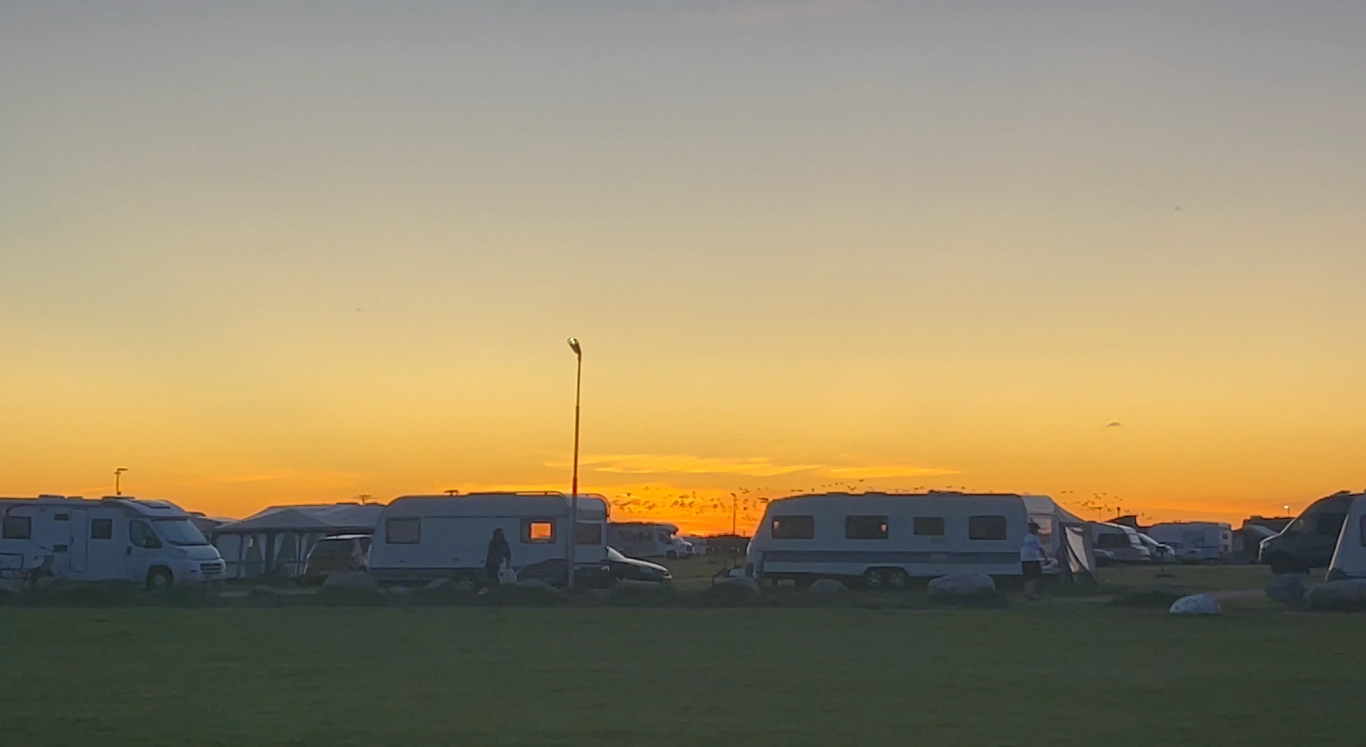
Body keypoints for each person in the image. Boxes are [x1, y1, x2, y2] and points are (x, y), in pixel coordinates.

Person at [1020, 522, 1047, 600]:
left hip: (1024, 559)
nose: (1037, 531)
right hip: (1032, 559)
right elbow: (1040, 548)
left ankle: (1026, 592)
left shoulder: (1025, 537)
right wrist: (1045, 558)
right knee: (1034, 576)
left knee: (1027, 577)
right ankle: (1031, 593)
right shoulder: (1035, 538)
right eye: (1036, 529)